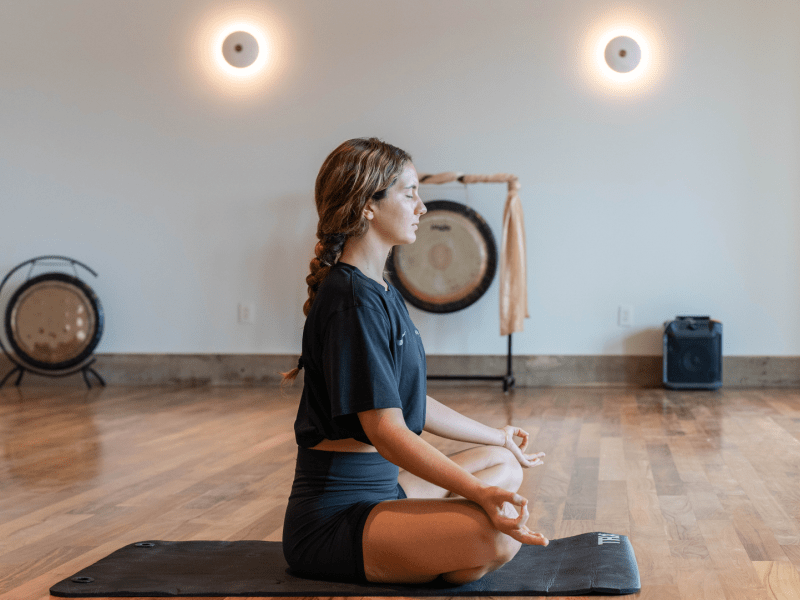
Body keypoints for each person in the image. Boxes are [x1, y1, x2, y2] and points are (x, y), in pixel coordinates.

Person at [281, 137, 547, 586]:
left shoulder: (381, 291)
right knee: (500, 539)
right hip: (334, 520)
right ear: (368, 204)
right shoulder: (351, 301)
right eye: (409, 193)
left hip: (384, 491)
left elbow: (408, 400)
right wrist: (478, 495)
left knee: (503, 463)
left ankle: (429, 546)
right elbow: (387, 431)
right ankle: (430, 549)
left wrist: (498, 435)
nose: (422, 207)